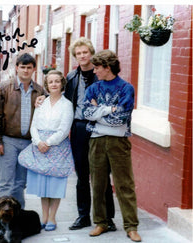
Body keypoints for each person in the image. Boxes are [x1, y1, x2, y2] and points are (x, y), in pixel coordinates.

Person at [83, 49, 141, 242]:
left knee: (125, 184)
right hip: (96, 141)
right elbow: (86, 113)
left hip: (118, 142)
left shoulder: (126, 88)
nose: (95, 71)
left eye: (97, 67)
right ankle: (101, 222)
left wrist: (98, 112)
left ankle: (131, 226)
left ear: (107, 67)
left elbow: (121, 119)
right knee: (98, 184)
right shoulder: (92, 88)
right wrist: (109, 109)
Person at [65, 37, 116, 231]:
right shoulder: (71, 77)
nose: (82, 56)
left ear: (91, 53)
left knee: (102, 174)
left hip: (100, 129)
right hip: (78, 128)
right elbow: (63, 102)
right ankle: (83, 216)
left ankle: (107, 219)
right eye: (78, 53)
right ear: (75, 56)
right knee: (82, 175)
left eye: (85, 52)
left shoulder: (102, 75)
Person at [18, 70, 74, 231]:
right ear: (47, 85)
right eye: (51, 82)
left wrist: (48, 142)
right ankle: (43, 216)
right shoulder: (41, 102)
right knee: (44, 184)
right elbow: (34, 124)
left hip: (57, 146)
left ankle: (52, 217)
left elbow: (64, 129)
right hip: (40, 145)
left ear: (62, 84)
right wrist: (38, 142)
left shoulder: (67, 105)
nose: (54, 84)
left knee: (55, 183)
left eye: (57, 81)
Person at [0, 53, 45, 209]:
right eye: (22, 67)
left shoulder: (40, 91)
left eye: (29, 68)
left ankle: (18, 218)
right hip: (8, 141)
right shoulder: (4, 88)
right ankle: (2, 221)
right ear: (16, 68)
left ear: (34, 69)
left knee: (20, 183)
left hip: (29, 143)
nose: (25, 71)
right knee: (6, 182)